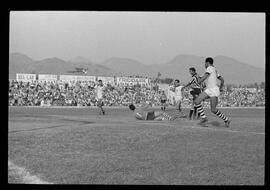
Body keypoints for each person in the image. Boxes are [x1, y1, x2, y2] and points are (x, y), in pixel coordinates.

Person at [194, 57, 231, 127]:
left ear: (207, 63)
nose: (204, 65)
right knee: (197, 101)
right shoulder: (214, 70)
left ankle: (226, 119)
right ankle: (204, 117)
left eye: (205, 63)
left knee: (213, 110)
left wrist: (198, 82)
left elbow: (205, 77)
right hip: (210, 89)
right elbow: (222, 80)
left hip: (213, 90)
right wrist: (220, 88)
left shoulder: (209, 68)